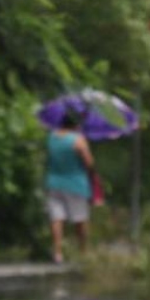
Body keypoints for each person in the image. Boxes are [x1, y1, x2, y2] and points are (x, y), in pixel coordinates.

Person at [44, 110, 95, 264]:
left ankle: (58, 253)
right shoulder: (78, 140)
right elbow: (89, 163)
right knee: (80, 219)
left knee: (57, 218)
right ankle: (83, 252)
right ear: (76, 125)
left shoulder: (52, 137)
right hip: (76, 184)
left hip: (54, 183)